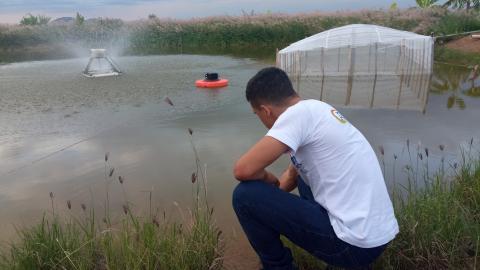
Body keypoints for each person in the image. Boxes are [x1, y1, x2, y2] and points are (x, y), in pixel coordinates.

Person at [232, 67, 399, 270]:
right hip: (376, 236)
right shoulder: (317, 109)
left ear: (266, 110)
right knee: (302, 176)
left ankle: (278, 267)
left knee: (244, 196)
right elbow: (293, 175)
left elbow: (243, 170)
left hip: (352, 245)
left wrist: (267, 182)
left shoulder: (295, 117)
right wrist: (270, 202)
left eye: (256, 113)